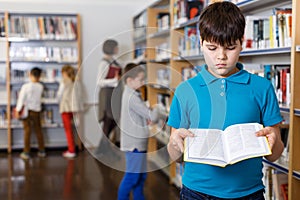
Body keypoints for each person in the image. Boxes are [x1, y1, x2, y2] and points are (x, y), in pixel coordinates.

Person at [167, 2, 284, 199]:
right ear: (201, 43)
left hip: (249, 193)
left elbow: (274, 154)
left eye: (230, 48)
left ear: (241, 42)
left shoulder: (261, 88)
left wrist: (273, 143)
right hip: (196, 193)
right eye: (212, 48)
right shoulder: (185, 91)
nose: (221, 57)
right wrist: (174, 143)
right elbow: (176, 158)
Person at [117, 63, 162, 200]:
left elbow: (143, 115)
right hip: (134, 144)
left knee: (141, 176)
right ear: (130, 80)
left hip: (138, 142)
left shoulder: (131, 93)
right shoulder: (132, 98)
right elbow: (153, 116)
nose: (143, 83)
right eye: (141, 80)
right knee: (132, 176)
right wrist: (159, 109)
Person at [16, 67, 46, 160]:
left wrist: (17, 110)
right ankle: (41, 150)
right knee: (38, 131)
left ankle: (26, 152)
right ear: (40, 76)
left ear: (30, 74)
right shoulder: (41, 86)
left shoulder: (25, 86)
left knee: (27, 131)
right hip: (37, 111)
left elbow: (21, 99)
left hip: (27, 111)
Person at [97, 39, 122, 148]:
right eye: (116, 47)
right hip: (107, 95)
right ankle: (102, 149)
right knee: (108, 122)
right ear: (111, 48)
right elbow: (99, 82)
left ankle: (104, 149)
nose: (118, 49)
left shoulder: (113, 60)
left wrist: (141, 58)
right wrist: (115, 80)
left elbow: (126, 64)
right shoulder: (104, 63)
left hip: (114, 95)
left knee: (112, 122)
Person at [57, 65, 84, 158]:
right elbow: (80, 95)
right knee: (74, 129)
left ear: (65, 73)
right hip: (75, 108)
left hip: (65, 108)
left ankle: (71, 150)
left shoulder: (63, 82)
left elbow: (59, 95)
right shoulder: (77, 82)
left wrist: (58, 101)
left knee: (68, 130)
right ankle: (73, 148)